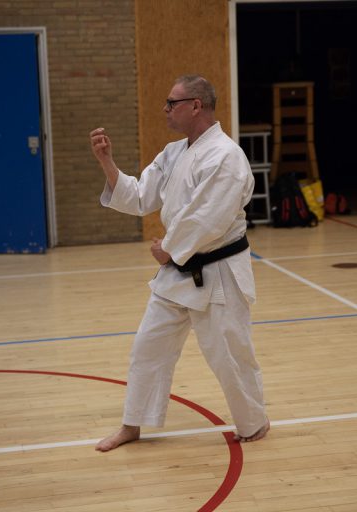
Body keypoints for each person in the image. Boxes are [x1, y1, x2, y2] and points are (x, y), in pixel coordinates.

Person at [89, 74, 269, 452]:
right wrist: (107, 162)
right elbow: (139, 196)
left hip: (218, 272)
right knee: (148, 347)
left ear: (196, 106)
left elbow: (210, 217)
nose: (166, 110)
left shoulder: (226, 156)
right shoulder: (174, 153)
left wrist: (171, 248)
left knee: (230, 355)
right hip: (178, 272)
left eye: (172, 103)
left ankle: (253, 423)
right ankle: (132, 425)